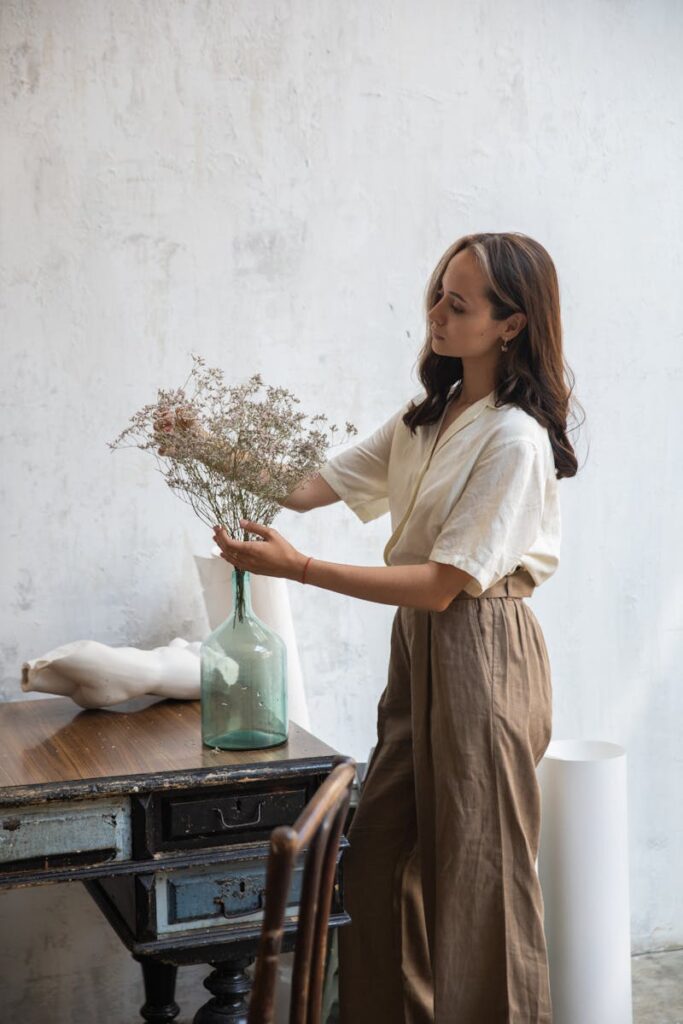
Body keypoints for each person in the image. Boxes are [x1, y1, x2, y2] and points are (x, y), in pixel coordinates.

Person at [212, 231, 582, 1023]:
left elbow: (445, 584)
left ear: (511, 324)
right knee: (377, 857)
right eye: (436, 294)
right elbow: (310, 484)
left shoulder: (513, 439)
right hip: (419, 646)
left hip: (483, 648)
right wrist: (203, 446)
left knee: (480, 881)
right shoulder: (433, 415)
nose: (435, 314)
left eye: (459, 303)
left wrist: (299, 569)